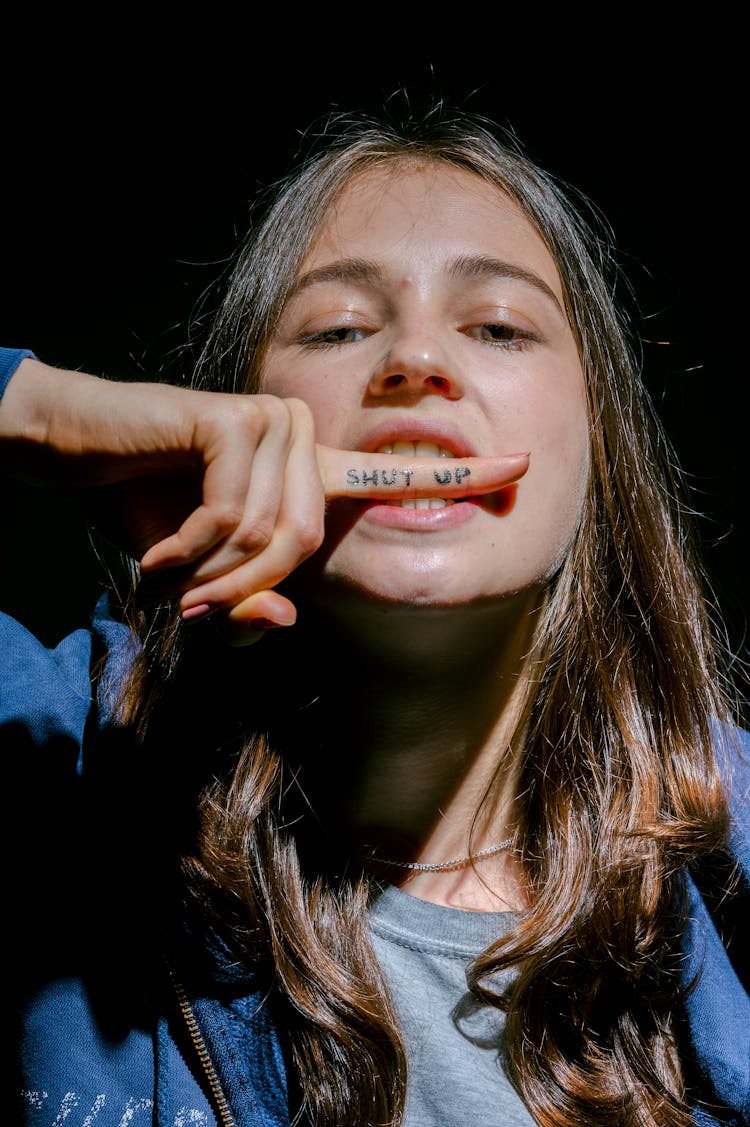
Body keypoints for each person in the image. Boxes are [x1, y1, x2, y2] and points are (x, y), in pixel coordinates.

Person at [2, 105, 748, 1127]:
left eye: (497, 325)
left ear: (597, 450)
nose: (415, 362)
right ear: (232, 412)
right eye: (339, 328)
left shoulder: (738, 847)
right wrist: (36, 405)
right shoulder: (49, 763)